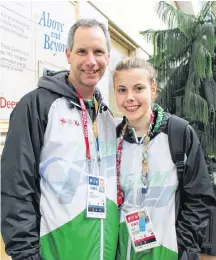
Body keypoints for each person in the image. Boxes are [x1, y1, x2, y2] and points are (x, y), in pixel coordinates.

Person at [1, 19, 118, 260]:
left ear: (108, 57)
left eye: (98, 52)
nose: (90, 61)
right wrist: (25, 254)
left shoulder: (107, 116)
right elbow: (15, 185)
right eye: (82, 51)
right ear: (68, 54)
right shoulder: (36, 106)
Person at [113, 57, 216, 260]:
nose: (130, 97)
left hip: (167, 252)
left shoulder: (178, 133)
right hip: (120, 252)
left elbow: (201, 197)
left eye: (138, 88)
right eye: (122, 90)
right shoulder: (114, 138)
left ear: (153, 89)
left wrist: (180, 244)